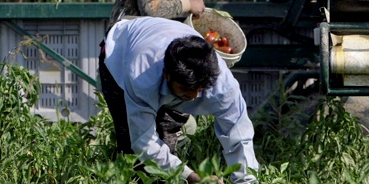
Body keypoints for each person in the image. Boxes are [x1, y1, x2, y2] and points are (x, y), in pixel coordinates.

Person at [101, 16, 259, 183]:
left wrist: (247, 181)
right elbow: (143, 141)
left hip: (162, 49)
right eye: (187, 90)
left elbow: (239, 137)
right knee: (134, 156)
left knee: (167, 142)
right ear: (167, 75)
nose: (194, 97)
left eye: (200, 89)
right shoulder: (140, 75)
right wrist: (192, 177)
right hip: (120, 53)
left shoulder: (223, 85)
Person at [101, 0, 207, 156]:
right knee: (148, 140)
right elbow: (154, 10)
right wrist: (189, 4)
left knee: (133, 140)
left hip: (117, 63)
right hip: (125, 66)